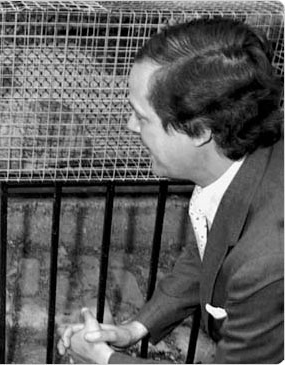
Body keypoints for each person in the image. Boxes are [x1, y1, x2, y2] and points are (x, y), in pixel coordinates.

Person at [57, 17, 283, 364]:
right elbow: (212, 251)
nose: (130, 126)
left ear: (198, 132)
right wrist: (135, 329)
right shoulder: (245, 165)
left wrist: (104, 360)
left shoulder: (265, 263)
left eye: (142, 117)